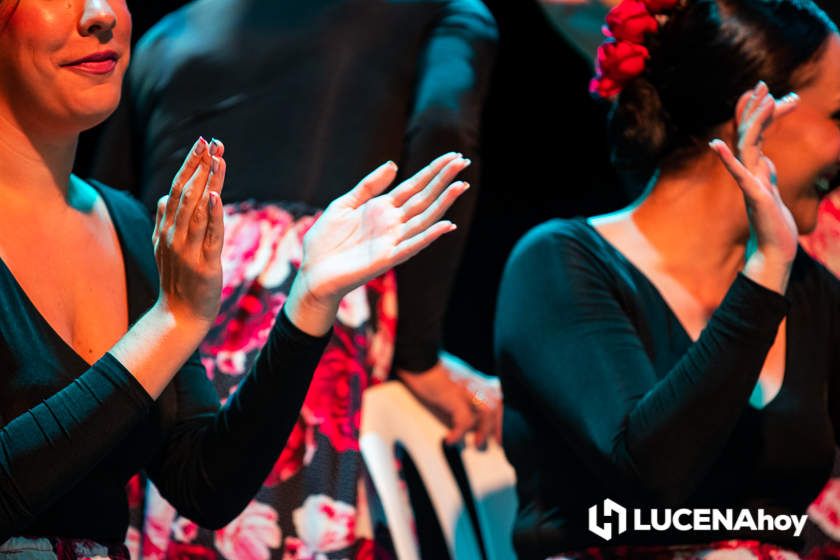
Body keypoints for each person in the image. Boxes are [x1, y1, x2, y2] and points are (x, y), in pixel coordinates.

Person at [0, 0, 468, 557]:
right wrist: (172, 323)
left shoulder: (126, 222)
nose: (100, 14)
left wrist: (309, 302)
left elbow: (204, 486)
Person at [495, 0, 840, 558]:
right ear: (755, 113)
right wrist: (764, 272)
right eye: (838, 118)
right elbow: (649, 479)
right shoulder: (561, 265)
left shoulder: (809, 294)